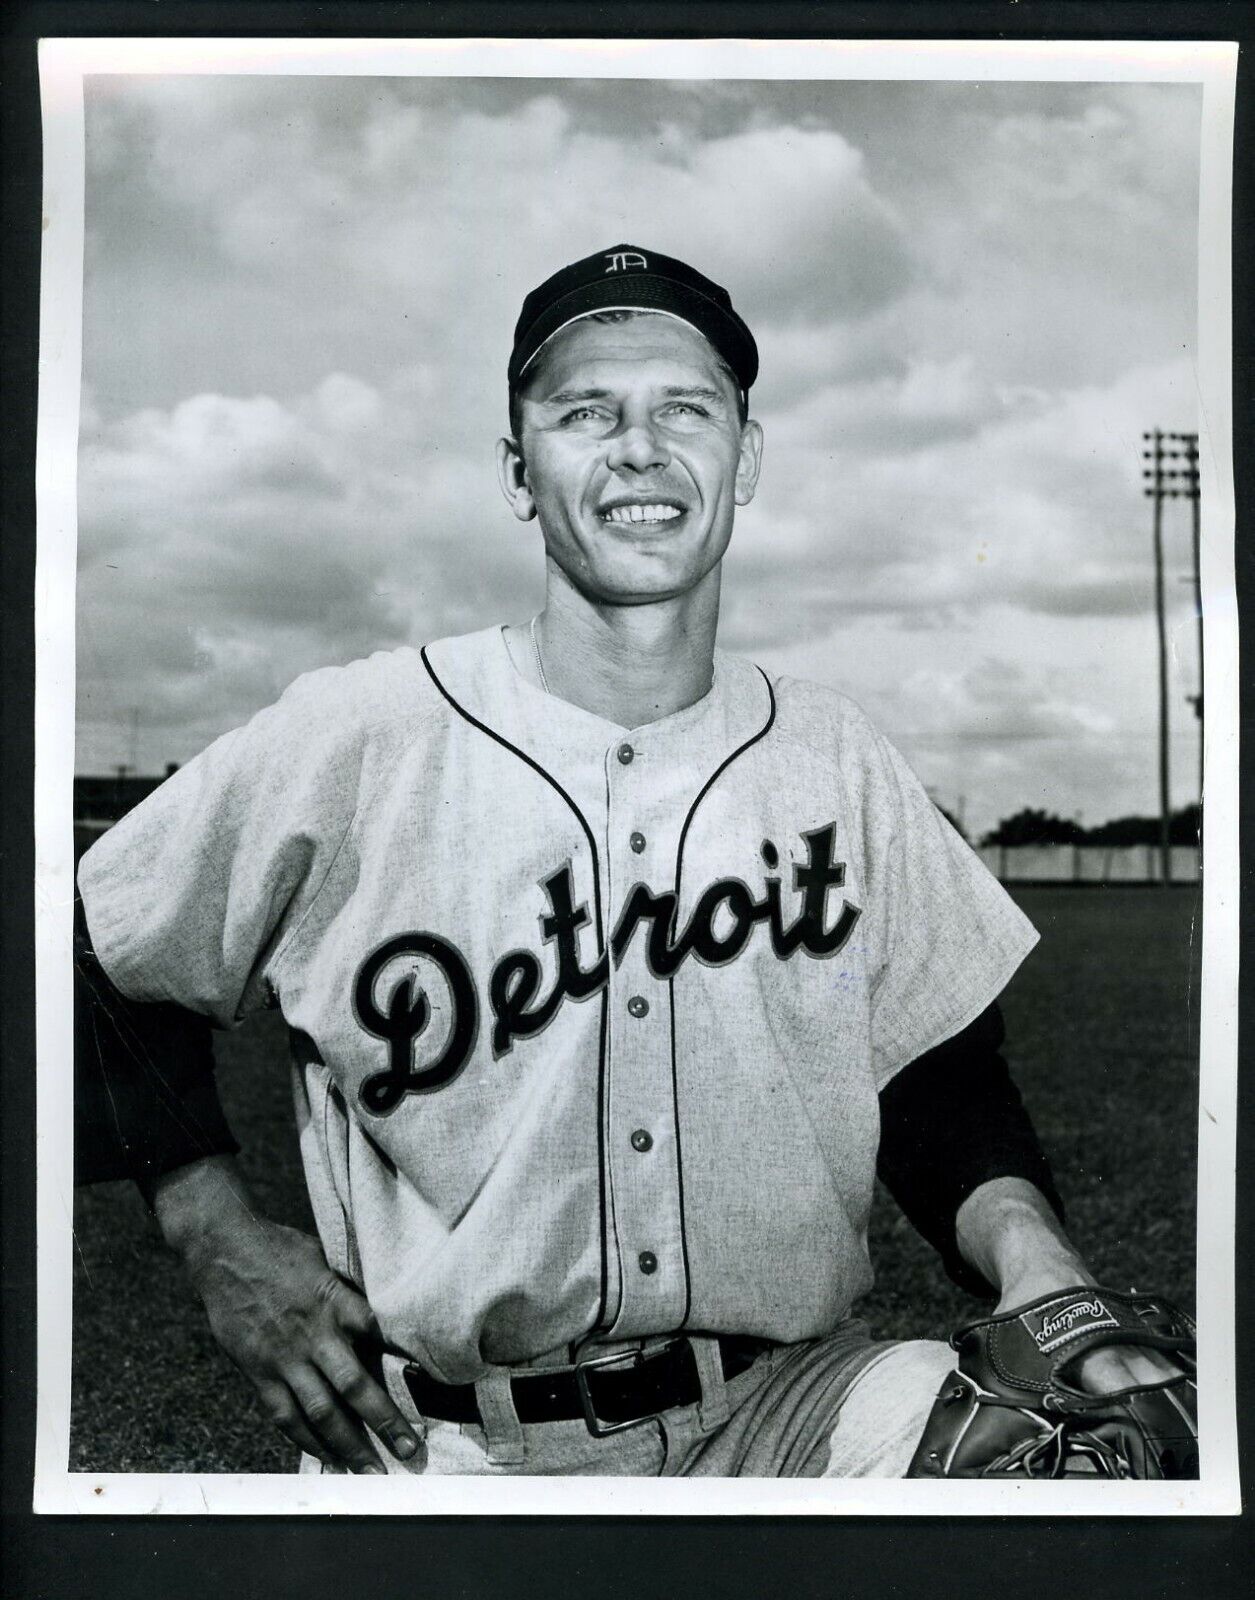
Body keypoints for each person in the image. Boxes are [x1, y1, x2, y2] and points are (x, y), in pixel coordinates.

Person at [75, 244, 1185, 1478]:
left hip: (791, 1409)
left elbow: (934, 1071)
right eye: (587, 411)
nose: (639, 448)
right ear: (519, 472)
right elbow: (96, 938)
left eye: (685, 409)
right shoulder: (357, 736)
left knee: (1095, 1459)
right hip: (454, 1442)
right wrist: (216, 1232)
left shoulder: (831, 753)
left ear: (743, 460)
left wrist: (1041, 1264)